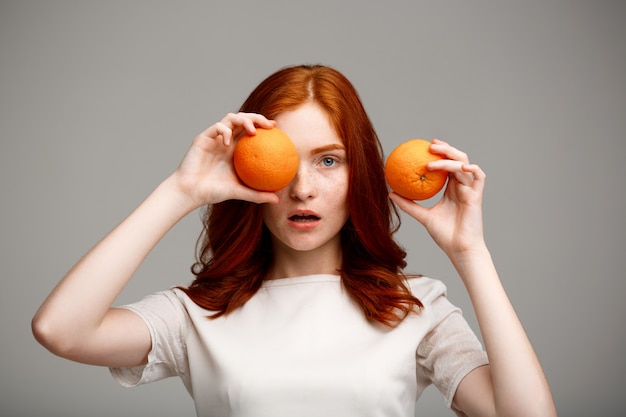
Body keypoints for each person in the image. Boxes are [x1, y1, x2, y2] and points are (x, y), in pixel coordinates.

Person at [32, 64, 557, 417]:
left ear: (361, 176)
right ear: (246, 170)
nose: (303, 188)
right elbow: (60, 329)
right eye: (285, 161)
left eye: (329, 160)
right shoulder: (197, 315)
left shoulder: (415, 309)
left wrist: (470, 252)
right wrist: (181, 189)